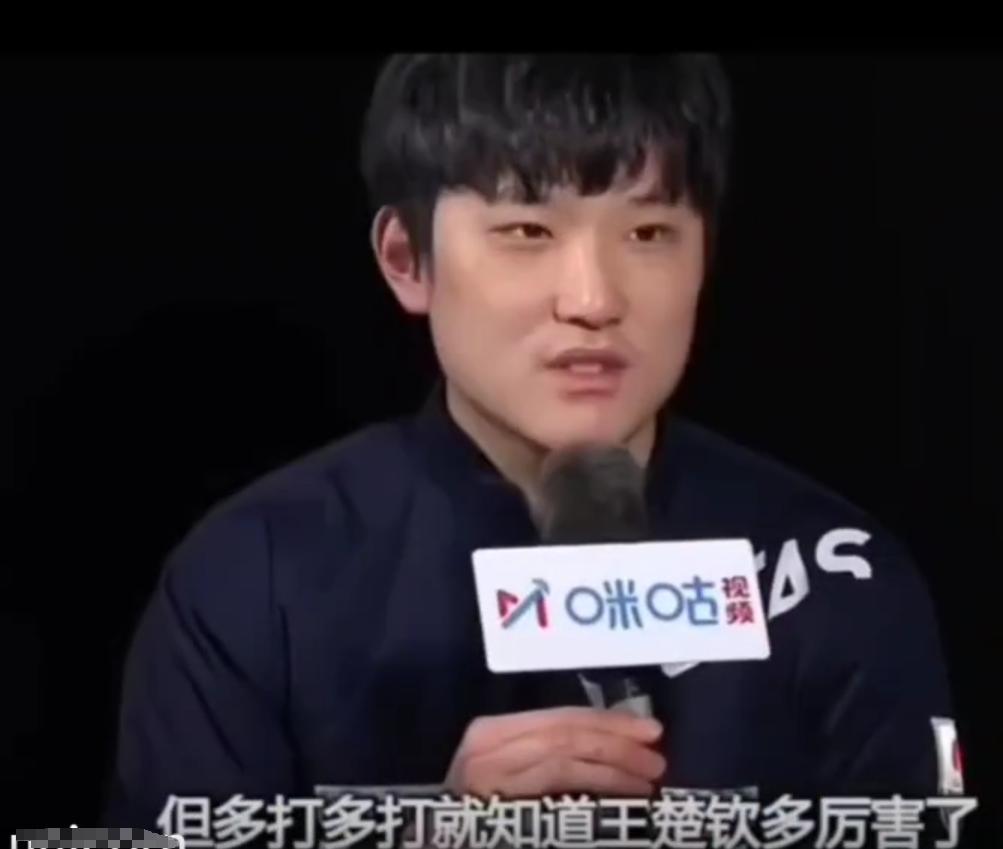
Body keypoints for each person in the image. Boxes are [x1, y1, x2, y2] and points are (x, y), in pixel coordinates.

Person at [104, 54, 960, 830]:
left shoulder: (836, 573)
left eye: (648, 233)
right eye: (527, 232)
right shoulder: (255, 576)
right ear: (406, 259)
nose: (592, 300)